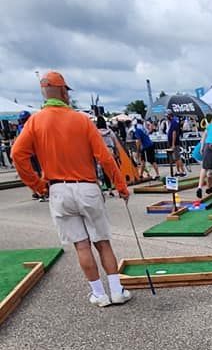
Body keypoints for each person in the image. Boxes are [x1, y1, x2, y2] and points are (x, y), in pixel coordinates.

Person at [11, 71, 132, 307]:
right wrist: (121, 186)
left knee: (81, 245)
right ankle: (117, 291)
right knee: (102, 242)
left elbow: (17, 155)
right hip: (87, 187)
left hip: (58, 189)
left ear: (44, 93)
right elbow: (105, 158)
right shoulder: (81, 120)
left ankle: (99, 294)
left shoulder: (35, 121)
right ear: (64, 92)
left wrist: (37, 185)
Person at [166, 110, 186, 175]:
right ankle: (178, 171)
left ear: (169, 115)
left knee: (177, 157)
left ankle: (183, 171)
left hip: (175, 143)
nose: (166, 117)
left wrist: (173, 144)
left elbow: (174, 133)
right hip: (172, 143)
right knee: (175, 158)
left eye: (167, 116)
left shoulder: (174, 122)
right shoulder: (171, 122)